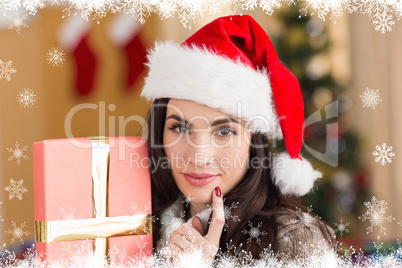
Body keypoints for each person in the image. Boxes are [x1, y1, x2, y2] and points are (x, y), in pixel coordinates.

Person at [140, 15, 337, 266]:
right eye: (179, 127)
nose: (199, 155)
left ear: (253, 143)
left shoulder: (294, 239)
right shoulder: (144, 226)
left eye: (224, 132)